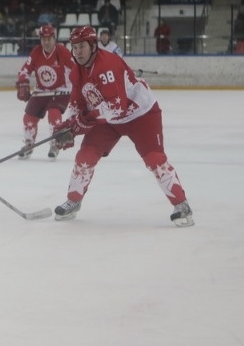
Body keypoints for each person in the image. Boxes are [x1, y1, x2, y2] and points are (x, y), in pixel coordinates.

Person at [51, 26, 193, 226]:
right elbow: (76, 103)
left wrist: (81, 123)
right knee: (85, 156)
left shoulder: (107, 64)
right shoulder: (77, 72)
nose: (78, 52)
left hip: (141, 114)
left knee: (155, 159)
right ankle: (73, 202)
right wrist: (68, 125)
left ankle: (182, 206)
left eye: (82, 46)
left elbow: (116, 107)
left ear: (93, 46)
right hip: (107, 121)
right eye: (74, 47)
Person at [15, 23, 75, 159]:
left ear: (54, 38)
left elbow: (76, 68)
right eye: (43, 39)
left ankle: (55, 142)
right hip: (41, 91)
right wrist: (23, 82)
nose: (46, 42)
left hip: (61, 91)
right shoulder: (36, 52)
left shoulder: (62, 51)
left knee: (54, 114)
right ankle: (29, 143)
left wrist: (79, 84)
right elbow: (25, 69)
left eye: (49, 39)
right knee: (28, 117)